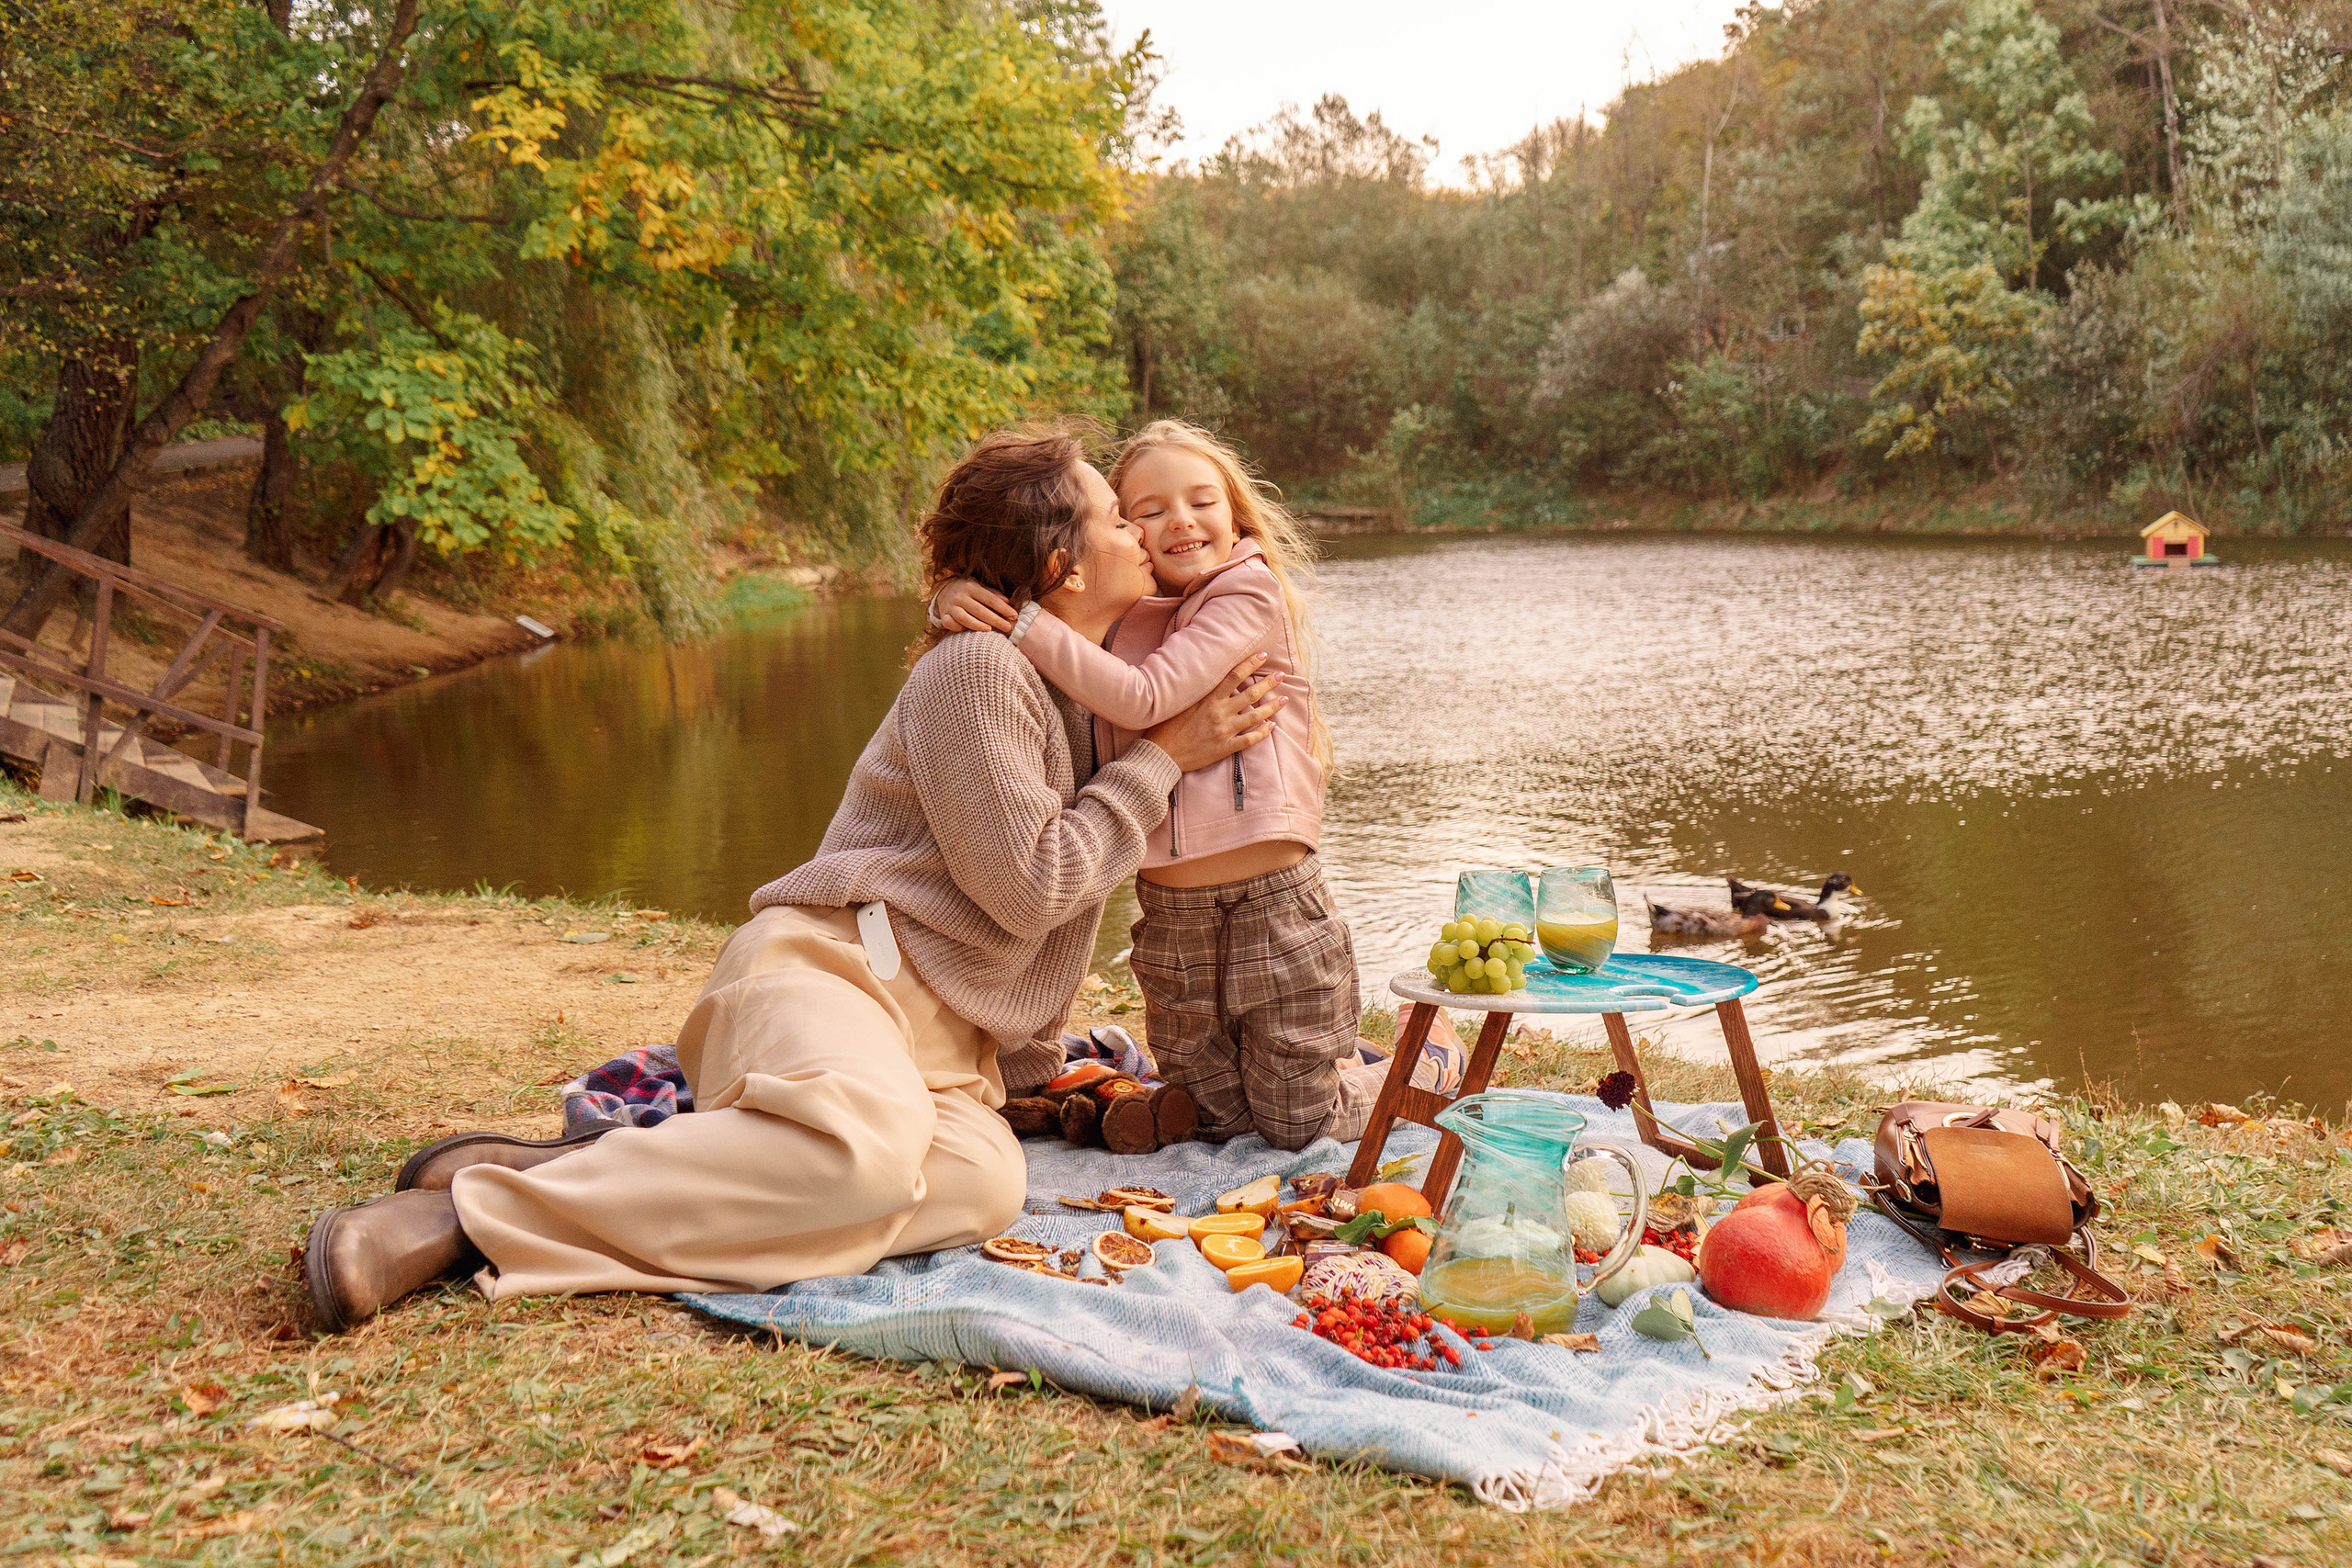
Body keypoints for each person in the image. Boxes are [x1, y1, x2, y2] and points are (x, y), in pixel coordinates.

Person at [300, 426, 1285, 1332]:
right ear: (1061, 565)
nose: (1144, 532)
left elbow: (1213, 620)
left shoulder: (1082, 679)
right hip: (837, 970)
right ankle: (463, 1220)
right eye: (1120, 517)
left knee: (982, 1189)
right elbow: (1031, 889)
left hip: (939, 1053)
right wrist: (1161, 761)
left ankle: (613, 1167)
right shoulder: (978, 672)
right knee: (862, 1162)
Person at [931, 421, 1440, 1152]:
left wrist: (1022, 621)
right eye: (1146, 510)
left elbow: (1143, 697)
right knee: (1220, 1112)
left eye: (1202, 500)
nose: (1180, 522)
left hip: (1275, 901)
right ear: (1128, 534)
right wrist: (958, 591)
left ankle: (1422, 1066)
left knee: (1300, 1120)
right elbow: (1036, 578)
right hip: (1170, 910)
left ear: (1235, 514)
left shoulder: (1245, 593)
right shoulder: (1116, 617)